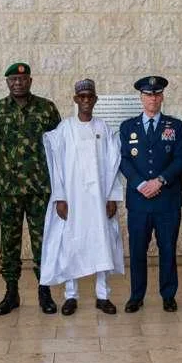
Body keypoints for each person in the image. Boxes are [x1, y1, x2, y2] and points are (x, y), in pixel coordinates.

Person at [0, 63, 62, 315]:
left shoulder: (47, 109)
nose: (18, 82)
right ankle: (11, 292)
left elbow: (59, 149)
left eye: (22, 78)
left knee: (43, 242)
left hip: (41, 189)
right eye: (13, 79)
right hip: (7, 190)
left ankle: (44, 291)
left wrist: (61, 188)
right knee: (10, 242)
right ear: (7, 82)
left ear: (30, 80)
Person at [41, 79, 124, 316]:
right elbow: (56, 165)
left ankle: (102, 295)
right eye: (82, 97)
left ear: (95, 99)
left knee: (102, 242)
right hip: (73, 199)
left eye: (90, 96)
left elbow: (113, 165)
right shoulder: (65, 129)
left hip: (99, 199)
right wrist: (60, 197)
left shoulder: (104, 129)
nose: (86, 100)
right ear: (76, 99)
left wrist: (112, 197)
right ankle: (71, 295)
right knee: (72, 244)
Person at [119, 75, 182, 313]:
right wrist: (140, 184)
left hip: (167, 200)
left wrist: (159, 181)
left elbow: (181, 159)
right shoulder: (128, 127)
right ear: (141, 97)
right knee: (138, 249)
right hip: (138, 201)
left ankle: (168, 295)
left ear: (162, 97)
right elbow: (124, 160)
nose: (153, 99)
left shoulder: (175, 126)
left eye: (157, 94)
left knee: (167, 248)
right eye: (148, 95)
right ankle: (136, 295)